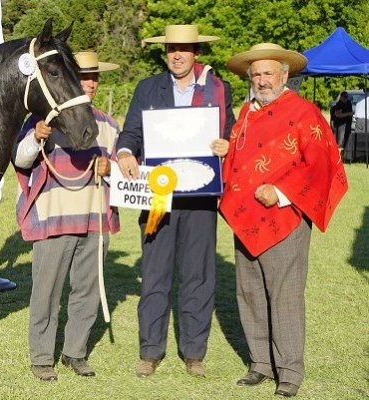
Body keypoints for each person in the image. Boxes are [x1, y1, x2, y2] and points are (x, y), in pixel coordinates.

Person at [221, 43, 348, 397]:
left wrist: (281, 192)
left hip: (285, 219)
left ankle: (289, 371)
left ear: (284, 75)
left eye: (268, 73)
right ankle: (260, 363)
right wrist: (224, 152)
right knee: (249, 293)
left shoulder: (304, 113)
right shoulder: (245, 114)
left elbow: (321, 163)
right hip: (246, 219)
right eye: (256, 74)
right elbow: (240, 163)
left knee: (285, 295)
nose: (262, 80)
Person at [116, 24, 235, 378]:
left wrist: (226, 145)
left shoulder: (219, 89)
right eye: (171, 49)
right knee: (154, 274)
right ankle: (150, 351)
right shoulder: (147, 88)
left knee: (198, 275)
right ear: (165, 52)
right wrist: (124, 152)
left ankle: (194, 352)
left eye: (184, 49)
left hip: (201, 198)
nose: (177, 55)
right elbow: (131, 132)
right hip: (158, 197)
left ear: (197, 52)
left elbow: (231, 135)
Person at [13, 51, 120, 381]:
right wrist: (35, 137)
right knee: (46, 291)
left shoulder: (110, 125)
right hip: (54, 217)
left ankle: (75, 352)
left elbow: (126, 173)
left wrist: (110, 168)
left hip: (93, 218)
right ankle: (42, 357)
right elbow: (20, 160)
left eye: (94, 77)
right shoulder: (43, 120)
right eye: (83, 76)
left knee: (87, 289)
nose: (89, 82)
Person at [330, 91, 353, 157]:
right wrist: (348, 114)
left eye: (347, 97)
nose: (346, 98)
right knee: (340, 142)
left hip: (347, 124)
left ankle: (345, 156)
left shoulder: (349, 103)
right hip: (340, 125)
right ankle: (337, 156)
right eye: (345, 97)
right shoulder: (339, 104)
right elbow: (337, 114)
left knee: (347, 140)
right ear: (341, 97)